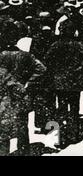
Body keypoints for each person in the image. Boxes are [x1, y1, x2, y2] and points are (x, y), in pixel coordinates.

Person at [44, 20, 83, 147]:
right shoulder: (79, 45)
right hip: (74, 82)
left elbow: (47, 60)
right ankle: (73, 134)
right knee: (74, 108)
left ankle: (60, 138)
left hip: (59, 82)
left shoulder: (55, 45)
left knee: (61, 109)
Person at [0, 20, 47, 155]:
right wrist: (28, 83)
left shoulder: (1, 55)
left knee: (3, 130)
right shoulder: (26, 55)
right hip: (21, 94)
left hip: (4, 97)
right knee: (22, 127)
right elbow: (42, 69)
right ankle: (24, 152)